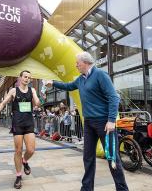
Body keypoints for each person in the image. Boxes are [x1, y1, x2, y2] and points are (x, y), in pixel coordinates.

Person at [45, 52, 128, 191]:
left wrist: (112, 120)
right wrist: (53, 82)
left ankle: (122, 189)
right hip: (89, 123)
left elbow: (114, 97)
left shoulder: (100, 75)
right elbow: (68, 86)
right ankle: (87, 188)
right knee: (88, 157)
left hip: (104, 123)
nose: (76, 65)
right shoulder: (80, 79)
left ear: (85, 62)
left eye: (77, 62)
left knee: (112, 158)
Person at [0, 70, 40, 189]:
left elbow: (37, 102)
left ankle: (25, 161)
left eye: (29, 77)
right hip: (17, 124)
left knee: (31, 150)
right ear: (20, 78)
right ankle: (18, 176)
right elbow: (2, 103)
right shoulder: (13, 91)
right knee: (18, 150)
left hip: (28, 123)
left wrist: (38, 101)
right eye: (25, 77)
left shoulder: (32, 90)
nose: (27, 79)